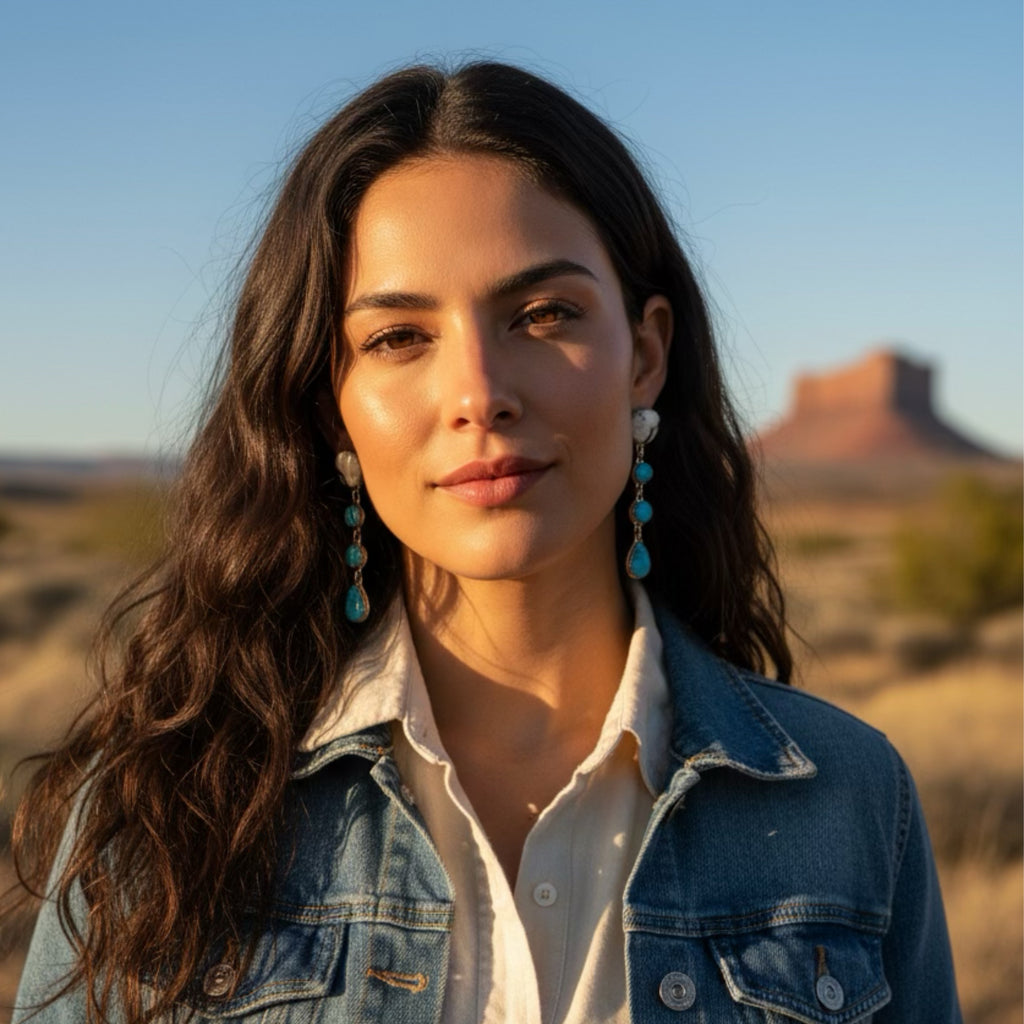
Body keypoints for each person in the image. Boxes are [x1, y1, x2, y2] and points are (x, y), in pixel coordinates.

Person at [10, 60, 961, 1023]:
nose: (478, 394)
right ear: (329, 405)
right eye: (397, 337)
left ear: (646, 353)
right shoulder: (170, 807)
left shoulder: (847, 802)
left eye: (542, 315)